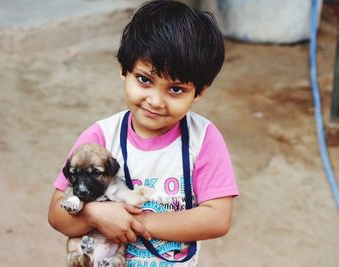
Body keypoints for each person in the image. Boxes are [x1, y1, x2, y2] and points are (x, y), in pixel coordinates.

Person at [48, 0, 239, 266]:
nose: (155, 101)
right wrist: (94, 215)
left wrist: (135, 222)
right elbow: (57, 215)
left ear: (201, 91)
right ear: (123, 70)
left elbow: (217, 218)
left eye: (176, 89)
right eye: (145, 80)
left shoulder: (203, 138)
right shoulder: (100, 137)